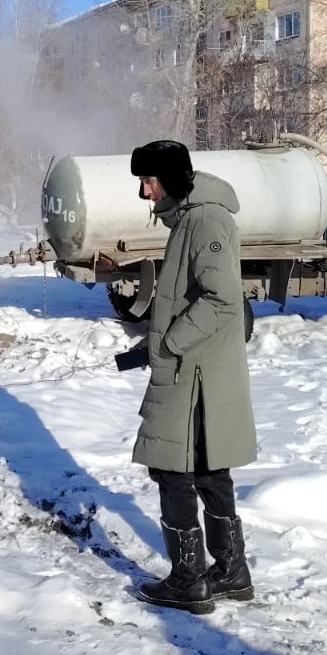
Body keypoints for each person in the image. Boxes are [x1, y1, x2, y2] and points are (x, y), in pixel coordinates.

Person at [127, 139, 256, 614]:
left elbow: (221, 299)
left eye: (149, 180)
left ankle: (189, 579)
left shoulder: (205, 220)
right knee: (206, 466)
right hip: (195, 368)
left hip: (194, 371)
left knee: (172, 468)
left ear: (173, 179)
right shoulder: (193, 217)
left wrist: (169, 342)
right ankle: (230, 572)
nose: (144, 192)